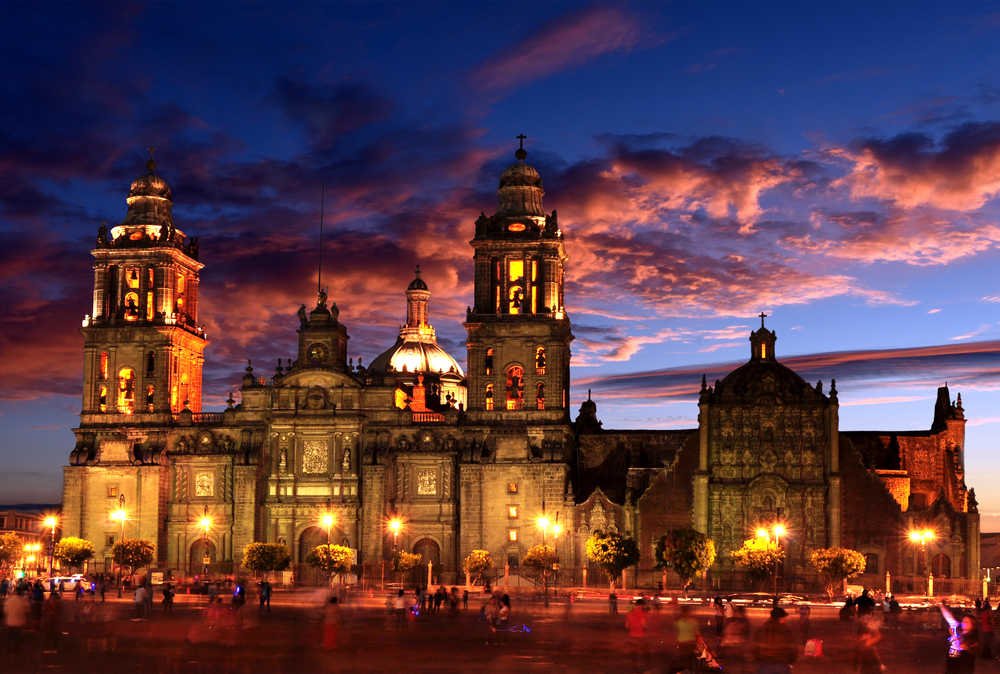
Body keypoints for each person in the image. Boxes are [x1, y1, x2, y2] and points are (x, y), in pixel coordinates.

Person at [752, 606, 798, 674]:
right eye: (784, 617)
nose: (785, 619)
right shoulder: (785, 631)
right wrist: (791, 662)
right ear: (780, 618)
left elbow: (755, 647)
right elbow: (792, 648)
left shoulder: (762, 629)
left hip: (764, 665)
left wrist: (757, 661)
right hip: (782, 665)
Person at [941, 602, 979, 673]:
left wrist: (954, 636)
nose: (963, 623)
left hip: (963, 670)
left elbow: (963, 646)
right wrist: (941, 605)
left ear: (973, 625)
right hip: (951, 668)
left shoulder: (972, 638)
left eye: (967, 622)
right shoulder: (960, 634)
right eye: (963, 621)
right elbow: (949, 618)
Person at [720, 605, 751, 674]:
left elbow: (724, 632)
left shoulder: (730, 620)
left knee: (728, 663)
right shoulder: (744, 621)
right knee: (740, 663)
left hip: (728, 644)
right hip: (739, 645)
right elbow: (746, 634)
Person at [625, 598, 650, 673]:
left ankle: (634, 668)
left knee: (634, 654)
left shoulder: (629, 612)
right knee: (645, 652)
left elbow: (626, 626)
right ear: (642, 605)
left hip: (632, 635)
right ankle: (645, 668)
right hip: (640, 636)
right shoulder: (642, 613)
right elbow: (644, 624)